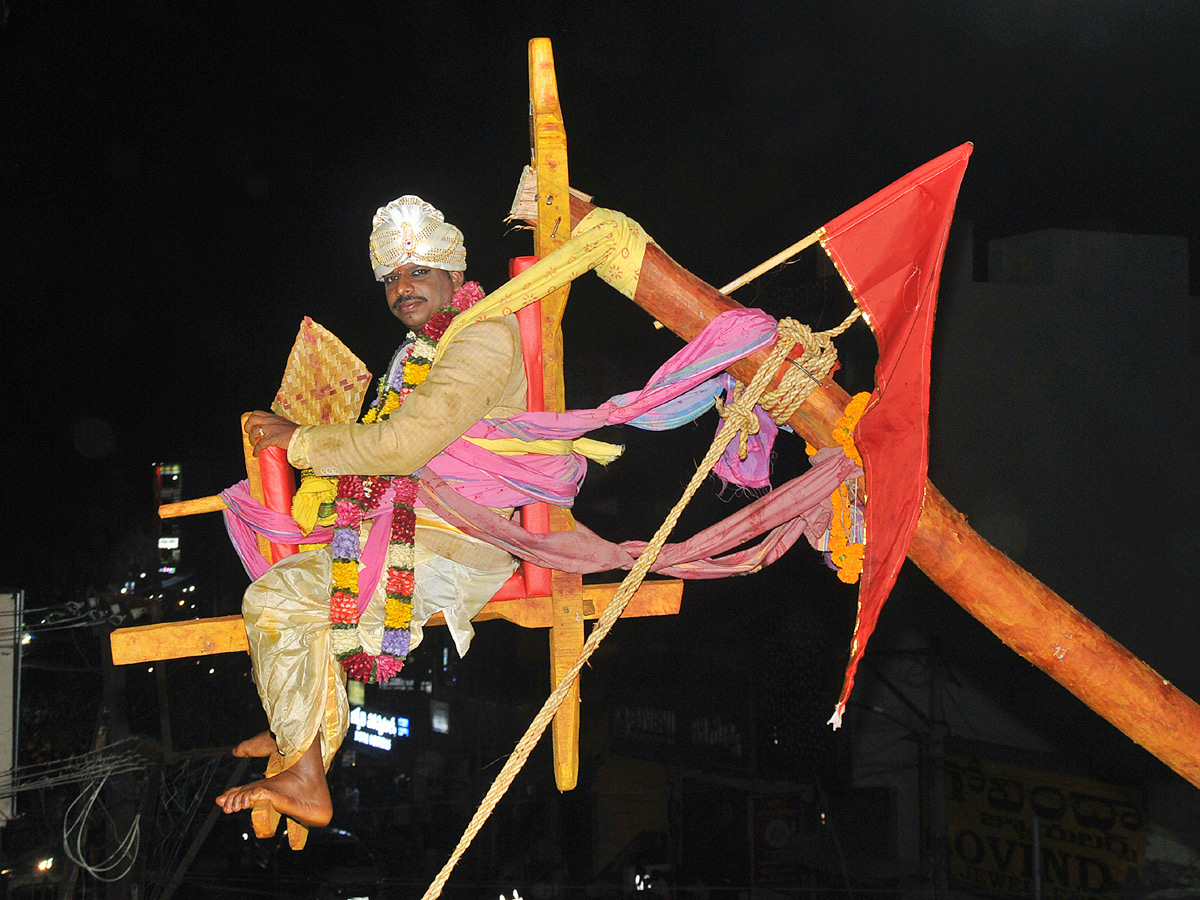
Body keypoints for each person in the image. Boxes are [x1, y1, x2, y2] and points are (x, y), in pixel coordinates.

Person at [215, 195, 527, 826]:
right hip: (415, 521)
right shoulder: (424, 350)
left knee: (274, 602)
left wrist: (296, 441)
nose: (401, 288)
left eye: (417, 272)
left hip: (454, 538)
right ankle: (304, 739)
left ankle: (307, 775)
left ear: (455, 277)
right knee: (293, 585)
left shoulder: (484, 335)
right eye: (391, 278)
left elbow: (403, 445)